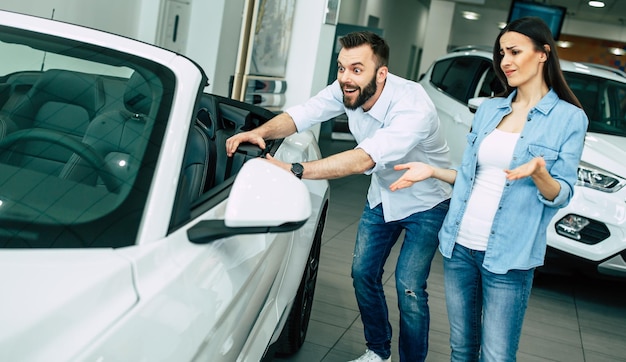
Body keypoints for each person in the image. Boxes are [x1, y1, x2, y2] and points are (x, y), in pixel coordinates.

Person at [226, 31, 451, 362]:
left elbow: (363, 159)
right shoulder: (349, 88)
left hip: (427, 201)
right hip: (384, 195)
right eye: (341, 68)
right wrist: (258, 132)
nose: (346, 77)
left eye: (357, 69)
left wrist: (294, 169)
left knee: (409, 287)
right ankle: (378, 351)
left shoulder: (413, 107)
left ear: (381, 73)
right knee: (363, 274)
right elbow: (301, 115)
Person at [390, 17, 588, 361]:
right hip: (460, 245)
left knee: (496, 356)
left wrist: (540, 172)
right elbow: (471, 177)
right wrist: (433, 171)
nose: (505, 61)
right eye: (502, 53)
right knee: (461, 349)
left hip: (509, 257)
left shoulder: (569, 118)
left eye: (514, 51)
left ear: (543, 54)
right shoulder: (490, 109)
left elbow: (563, 193)